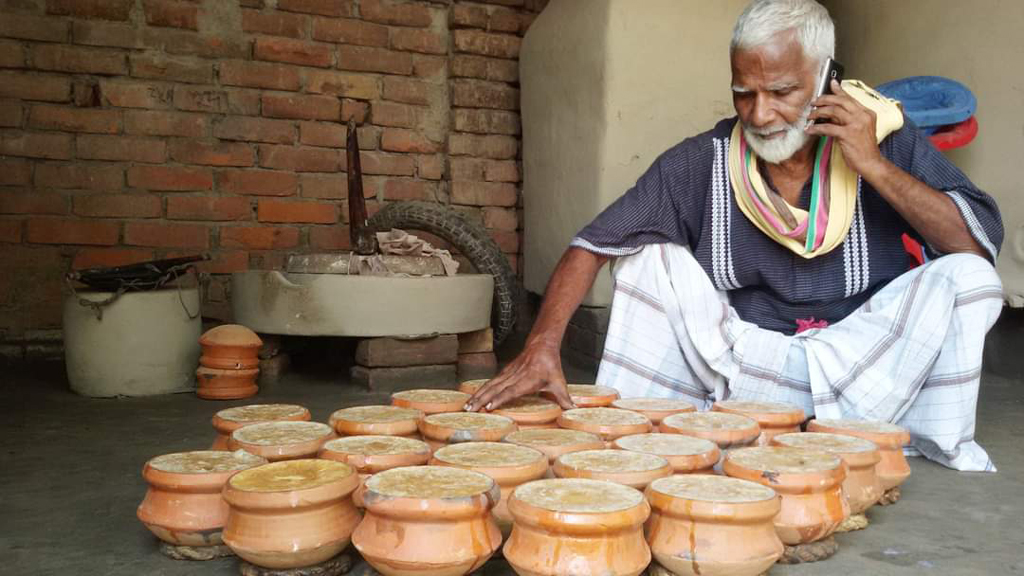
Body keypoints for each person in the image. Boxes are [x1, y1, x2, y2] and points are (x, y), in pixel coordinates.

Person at [466, 0, 1004, 472]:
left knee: (971, 278)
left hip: (865, 364)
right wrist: (541, 348)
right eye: (743, 93)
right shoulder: (703, 160)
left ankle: (887, 434)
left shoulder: (884, 140)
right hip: (742, 368)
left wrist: (873, 165)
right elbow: (592, 244)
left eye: (782, 91)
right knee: (646, 257)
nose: (760, 113)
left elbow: (975, 244)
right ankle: (669, 427)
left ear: (825, 79)